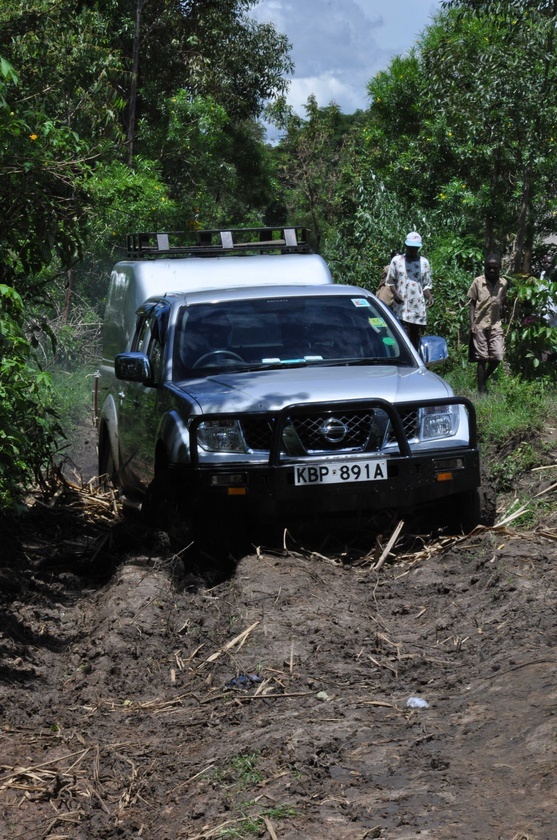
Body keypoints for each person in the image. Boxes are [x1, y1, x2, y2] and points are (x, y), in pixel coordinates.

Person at [467, 253, 507, 394]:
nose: (491, 270)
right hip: (480, 324)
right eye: (489, 267)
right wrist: (472, 324)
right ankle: (480, 390)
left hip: (495, 324)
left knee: (497, 356)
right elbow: (472, 304)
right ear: (485, 267)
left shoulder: (503, 283)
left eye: (494, 268)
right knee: (482, 359)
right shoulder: (478, 282)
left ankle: (483, 380)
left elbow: (503, 301)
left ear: (499, 268)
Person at [386, 231, 433, 348]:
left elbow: (425, 285)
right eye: (410, 247)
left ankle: (415, 363)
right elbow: (390, 282)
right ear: (406, 246)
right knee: (403, 338)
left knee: (414, 340)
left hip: (417, 308)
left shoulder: (424, 263)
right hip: (401, 308)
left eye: (415, 248)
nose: (412, 250)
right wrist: (396, 294)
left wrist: (429, 297)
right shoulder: (397, 261)